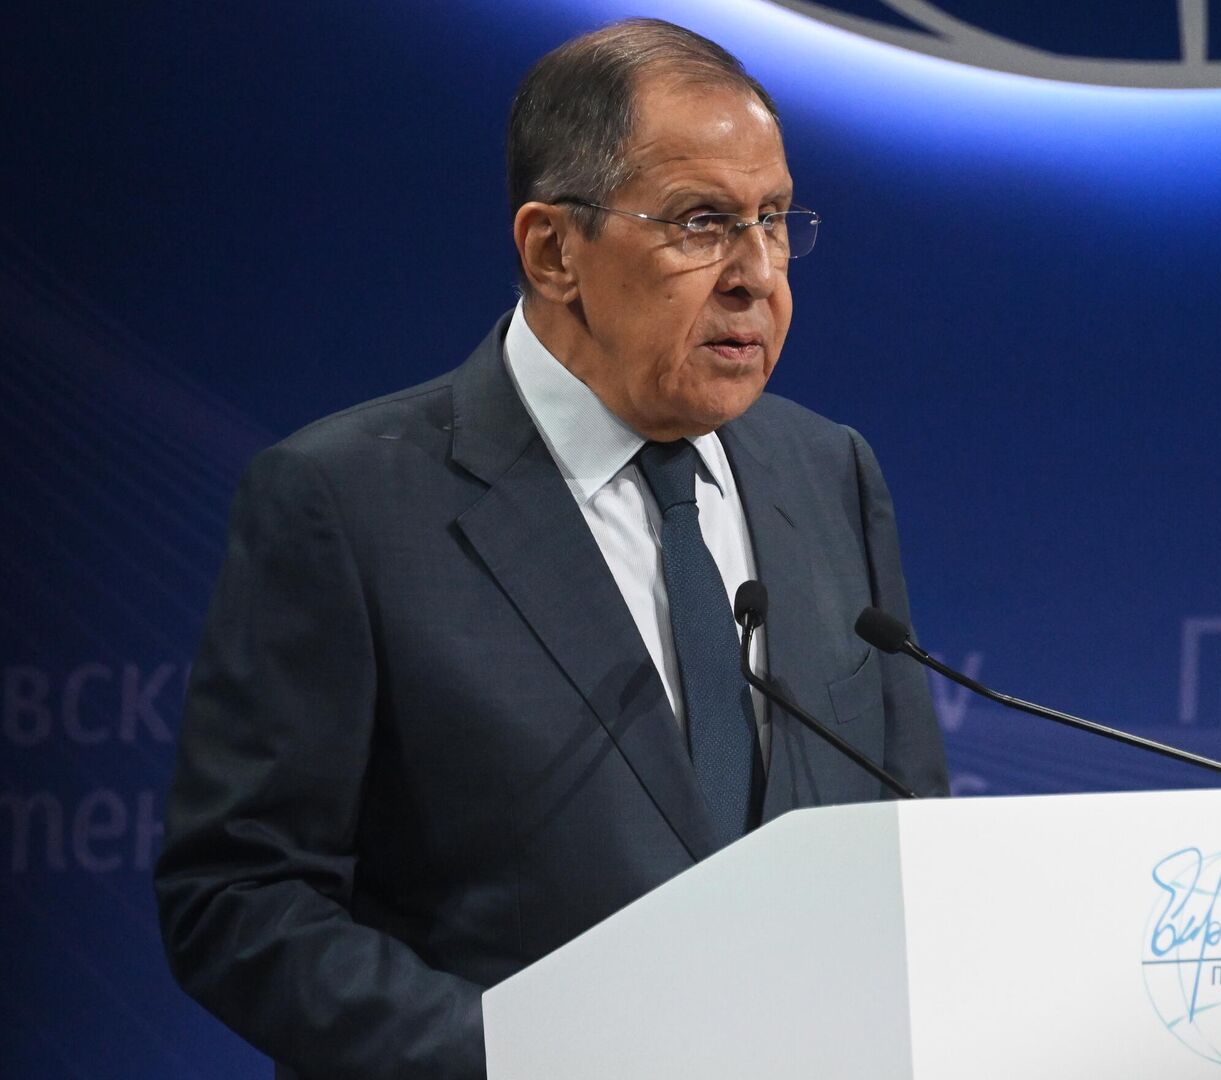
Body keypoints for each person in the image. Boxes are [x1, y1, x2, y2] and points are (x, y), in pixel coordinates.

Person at [154, 19, 948, 1079]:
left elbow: (912, 840)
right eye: (702, 223)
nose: (758, 275)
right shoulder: (344, 504)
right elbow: (240, 899)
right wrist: (522, 1058)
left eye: (773, 219)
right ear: (553, 251)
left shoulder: (829, 471)